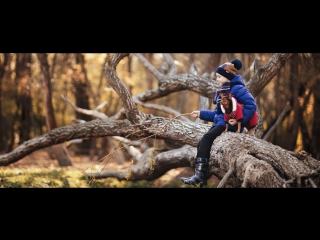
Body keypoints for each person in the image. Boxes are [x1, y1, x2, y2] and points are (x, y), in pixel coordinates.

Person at [180, 58, 257, 187]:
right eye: (216, 76)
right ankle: (200, 175)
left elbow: (251, 104)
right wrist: (201, 113)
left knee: (206, 139)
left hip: (229, 125)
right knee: (201, 143)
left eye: (219, 76)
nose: (217, 79)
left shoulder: (237, 89)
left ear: (227, 77)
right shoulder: (224, 91)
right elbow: (217, 114)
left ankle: (200, 176)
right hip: (220, 123)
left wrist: (239, 120)